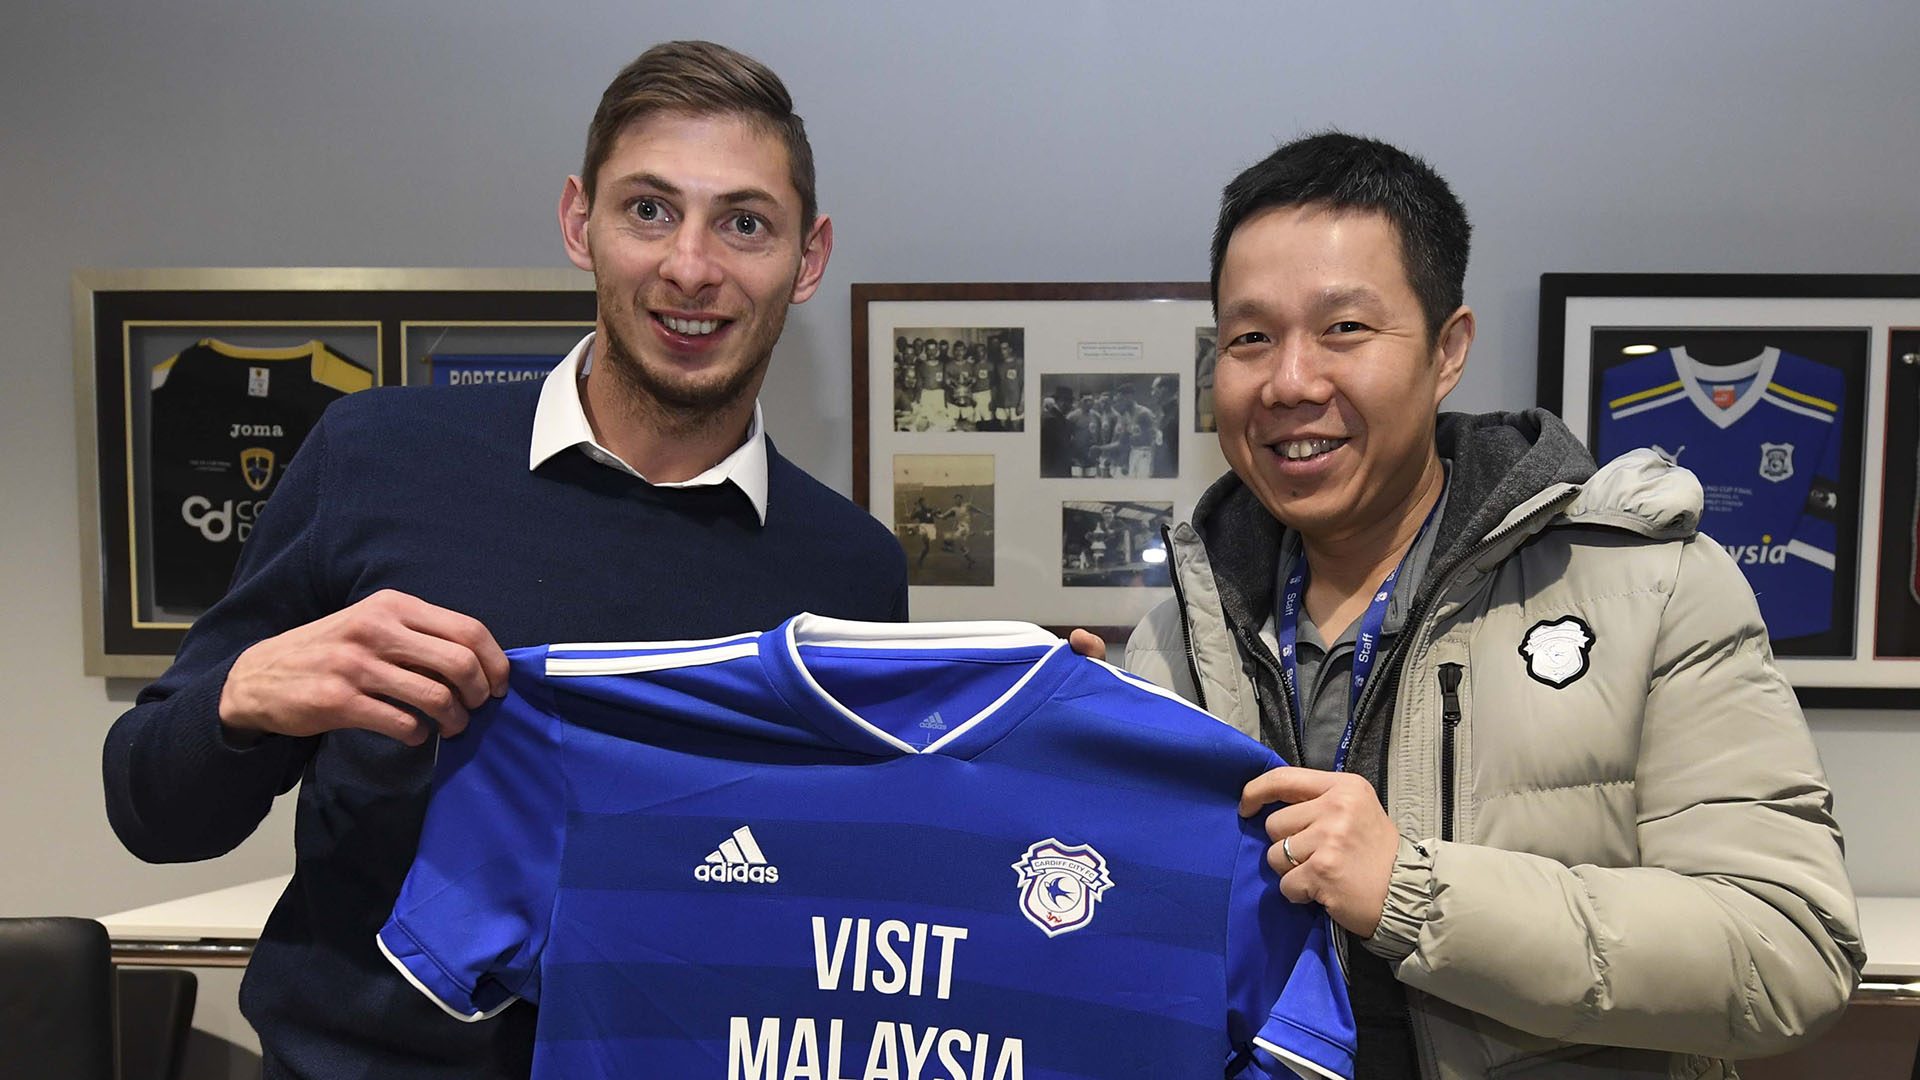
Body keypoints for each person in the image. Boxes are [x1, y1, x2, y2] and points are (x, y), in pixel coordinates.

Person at [101, 41, 907, 1080]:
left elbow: (856, 895)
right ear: (580, 223)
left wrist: (1041, 747)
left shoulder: (852, 572)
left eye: (744, 223)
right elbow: (151, 811)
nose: (691, 266)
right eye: (649, 210)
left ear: (808, 258)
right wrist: (242, 699)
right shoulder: (376, 457)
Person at [1118, 132, 1862, 1077]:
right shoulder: (1173, 640)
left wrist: (1412, 893)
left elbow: (1788, 951)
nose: (1291, 381)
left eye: (1344, 328)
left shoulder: (1654, 587)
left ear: (1448, 350)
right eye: (1249, 339)